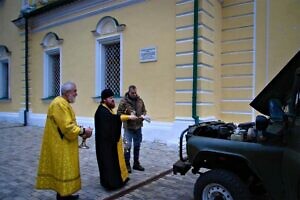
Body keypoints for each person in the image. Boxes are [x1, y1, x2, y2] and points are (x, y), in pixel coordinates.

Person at [35, 82, 93, 200]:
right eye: (75, 91)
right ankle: (63, 196)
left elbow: (68, 123)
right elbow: (67, 127)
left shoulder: (62, 103)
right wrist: (83, 131)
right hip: (60, 146)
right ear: (67, 93)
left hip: (63, 144)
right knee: (63, 170)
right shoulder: (59, 104)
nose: (76, 94)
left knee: (65, 170)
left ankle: (66, 193)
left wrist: (80, 129)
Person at [94, 88, 138, 190]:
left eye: (113, 97)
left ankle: (118, 180)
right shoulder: (102, 111)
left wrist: (128, 116)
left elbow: (114, 118)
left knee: (113, 162)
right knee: (108, 163)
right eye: (110, 98)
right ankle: (110, 184)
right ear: (104, 99)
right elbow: (113, 120)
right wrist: (128, 117)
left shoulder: (107, 109)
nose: (113, 100)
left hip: (109, 143)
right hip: (104, 145)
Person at [117, 85, 147, 173]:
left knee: (137, 146)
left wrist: (143, 115)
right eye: (132, 93)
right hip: (128, 128)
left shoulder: (140, 100)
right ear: (129, 92)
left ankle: (136, 164)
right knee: (127, 146)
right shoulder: (123, 102)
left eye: (135, 92)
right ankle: (127, 165)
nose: (134, 94)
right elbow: (119, 114)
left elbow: (144, 110)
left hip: (138, 127)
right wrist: (129, 117)